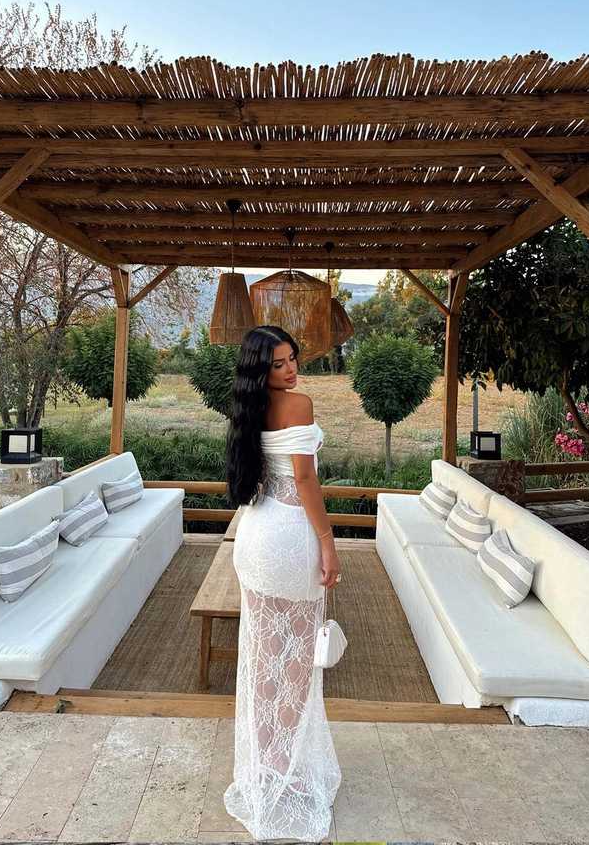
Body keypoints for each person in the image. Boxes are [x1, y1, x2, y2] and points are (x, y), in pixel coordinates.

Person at [223, 325, 342, 842]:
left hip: (255, 536)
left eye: (293, 359)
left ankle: (264, 767)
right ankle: (285, 768)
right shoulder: (299, 406)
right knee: (295, 663)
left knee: (261, 656)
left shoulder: (246, 408)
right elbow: (306, 479)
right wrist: (328, 540)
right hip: (291, 539)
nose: (291, 370)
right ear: (261, 368)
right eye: (279, 364)